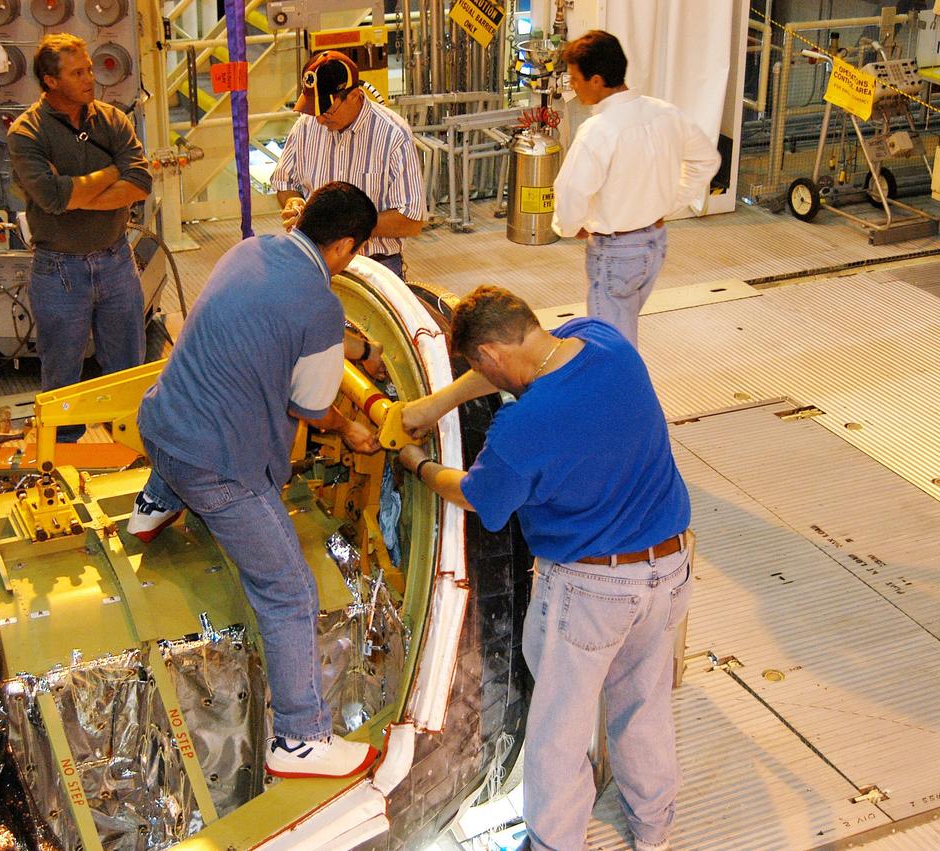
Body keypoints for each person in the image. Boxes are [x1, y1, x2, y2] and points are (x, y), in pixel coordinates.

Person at [398, 286, 692, 851]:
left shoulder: (522, 429)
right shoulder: (606, 343)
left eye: (483, 365)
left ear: (489, 354)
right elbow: (515, 370)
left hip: (591, 592)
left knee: (558, 731)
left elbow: (478, 497)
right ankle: (654, 830)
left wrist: (419, 463)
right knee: (643, 706)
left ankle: (555, 843)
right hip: (668, 571)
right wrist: (435, 406)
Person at [132, 182, 383, 779]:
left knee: (196, 408)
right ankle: (299, 739)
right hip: (217, 468)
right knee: (289, 592)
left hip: (160, 426)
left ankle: (154, 505)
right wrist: (351, 428)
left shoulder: (248, 250)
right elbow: (310, 407)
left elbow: (261, 331)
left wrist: (351, 348)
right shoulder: (319, 306)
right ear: (345, 246)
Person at [8, 33, 152, 440]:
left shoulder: (111, 119)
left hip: (116, 260)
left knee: (128, 372)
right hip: (59, 272)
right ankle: (63, 456)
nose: (90, 79)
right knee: (62, 381)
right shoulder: (26, 133)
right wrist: (113, 171)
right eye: (77, 73)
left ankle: (130, 448)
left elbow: (141, 182)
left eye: (88, 70)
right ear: (51, 81)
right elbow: (53, 199)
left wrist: (77, 193)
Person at [552, 29, 721, 348]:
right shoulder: (665, 112)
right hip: (655, 244)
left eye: (574, 79)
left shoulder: (598, 130)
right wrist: (669, 204)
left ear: (596, 81)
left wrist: (570, 226)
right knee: (623, 331)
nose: (572, 85)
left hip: (616, 252)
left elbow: (571, 190)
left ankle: (625, 384)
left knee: (612, 348)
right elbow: (706, 160)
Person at [270, 50, 425, 280]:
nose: (319, 119)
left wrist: (346, 226)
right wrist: (295, 202)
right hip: (315, 263)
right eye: (314, 110)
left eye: (327, 110)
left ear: (354, 96)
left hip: (375, 269)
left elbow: (411, 221)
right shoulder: (306, 126)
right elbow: (285, 182)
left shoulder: (393, 135)